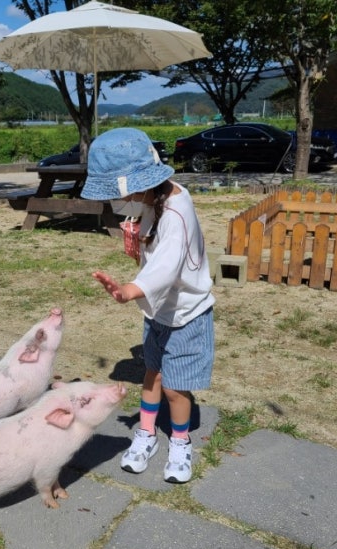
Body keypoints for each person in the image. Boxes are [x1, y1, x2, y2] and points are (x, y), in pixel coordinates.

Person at [81, 127, 215, 483]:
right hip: (158, 311)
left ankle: (181, 440)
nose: (118, 199)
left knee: (175, 385)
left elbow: (168, 266)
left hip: (186, 313)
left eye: (118, 191)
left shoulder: (176, 211)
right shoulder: (155, 200)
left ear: (138, 183)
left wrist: (128, 290)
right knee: (152, 374)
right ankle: (145, 433)